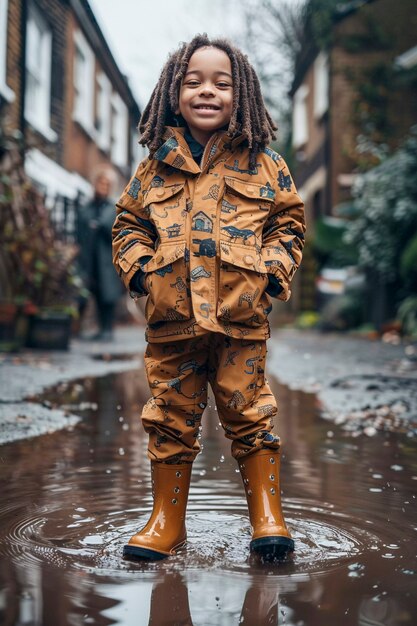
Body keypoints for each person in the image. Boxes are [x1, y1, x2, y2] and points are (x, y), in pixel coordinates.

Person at [112, 34, 306, 561]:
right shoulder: (154, 166)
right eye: (193, 81)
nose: (207, 91)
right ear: (173, 93)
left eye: (221, 83)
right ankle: (165, 523)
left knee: (249, 413)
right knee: (169, 416)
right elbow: (128, 224)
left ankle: (268, 517)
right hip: (170, 321)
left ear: (240, 94)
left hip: (242, 319)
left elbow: (288, 222)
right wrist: (141, 275)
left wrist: (271, 274)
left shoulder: (266, 164)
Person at [77, 168, 123, 341]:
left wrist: (100, 225)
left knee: (107, 295)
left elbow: (114, 230)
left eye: (106, 184)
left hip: (106, 260)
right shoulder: (87, 207)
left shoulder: (113, 208)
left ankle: (107, 329)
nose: (103, 186)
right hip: (89, 258)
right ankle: (91, 328)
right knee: (91, 292)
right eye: (100, 182)